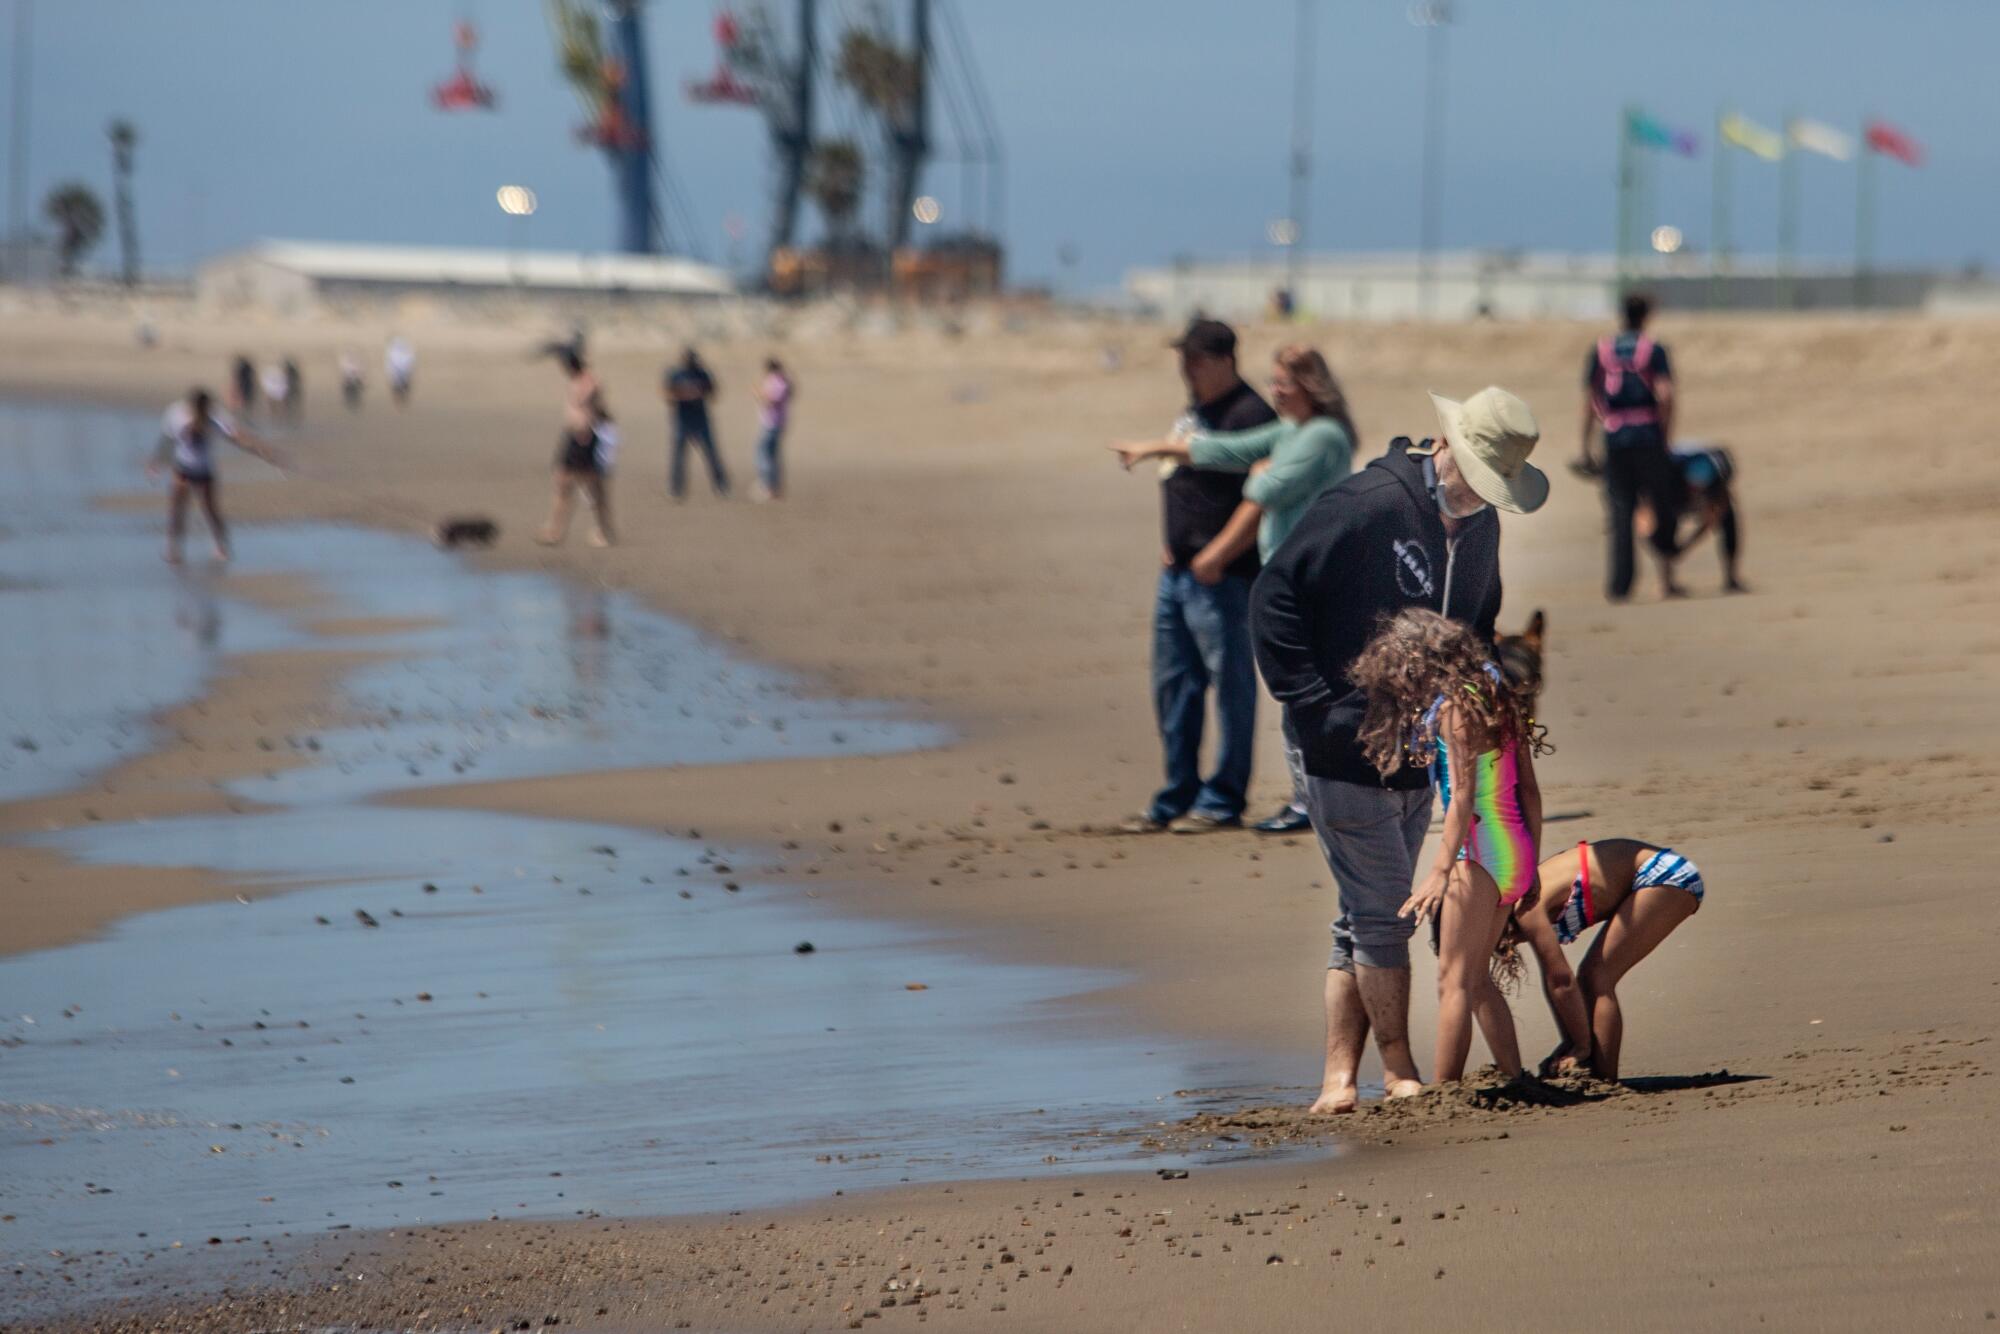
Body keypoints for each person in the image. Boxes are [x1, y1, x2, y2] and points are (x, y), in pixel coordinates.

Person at [1251, 386, 1549, 1111]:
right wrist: (1315, 704)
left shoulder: (1481, 527)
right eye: (1474, 481)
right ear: (1443, 447)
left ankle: (1338, 1082)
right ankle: (1401, 1074)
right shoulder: (1366, 505)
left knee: (1362, 911)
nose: (1479, 500)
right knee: (1385, 910)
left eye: (1492, 491)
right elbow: (1274, 596)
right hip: (1337, 741)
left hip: (1426, 750)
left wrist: (1472, 716)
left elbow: (1479, 621)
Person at [1111, 343, 1359, 833]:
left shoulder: (1325, 436)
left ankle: (1311, 802)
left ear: (1309, 386)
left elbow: (1267, 491)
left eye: (1283, 383)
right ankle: (1305, 799)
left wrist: (1257, 480)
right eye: (1273, 382)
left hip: (1311, 582)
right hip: (1283, 577)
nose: (1274, 391)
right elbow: (1229, 449)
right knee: (1293, 698)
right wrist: (1156, 448)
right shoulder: (1290, 430)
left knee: (1304, 694)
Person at [1352, 609, 1546, 1085]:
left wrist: (1439, 872)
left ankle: (1444, 1089)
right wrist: (1532, 866)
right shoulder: (1496, 691)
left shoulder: (1456, 707)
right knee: (1477, 981)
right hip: (1515, 848)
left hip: (1477, 853)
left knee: (1453, 981)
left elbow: (1461, 798)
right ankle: (1514, 1076)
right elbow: (1530, 791)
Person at [1108, 319, 1274, 835]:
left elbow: (1262, 495)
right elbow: (1179, 475)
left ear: (1224, 359)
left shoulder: (1251, 415)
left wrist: (1220, 553)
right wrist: (1172, 544)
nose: (1187, 369)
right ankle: (1177, 792)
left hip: (1223, 576)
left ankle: (1222, 799)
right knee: (1173, 687)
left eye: (1195, 360)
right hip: (1177, 573)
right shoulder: (1195, 411)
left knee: (1231, 690)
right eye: (1183, 359)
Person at [1503, 839, 1705, 1081]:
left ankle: (1604, 1080)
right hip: (1650, 874)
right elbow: (1556, 982)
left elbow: (1560, 979)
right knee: (1592, 976)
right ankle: (1598, 1072)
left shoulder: (1523, 907)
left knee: (1597, 976)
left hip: (1664, 874)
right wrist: (1571, 1040)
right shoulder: (1506, 910)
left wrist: (1579, 1044)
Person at [1578, 293, 1682, 601]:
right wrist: (1664, 435)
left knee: (1620, 512)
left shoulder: (1602, 349)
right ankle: (1666, 576)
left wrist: (1585, 444)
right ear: (1647, 315)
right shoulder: (1654, 350)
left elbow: (1589, 402)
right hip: (1648, 436)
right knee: (1662, 506)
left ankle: (1619, 586)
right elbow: (1665, 395)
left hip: (1614, 437)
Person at [147, 388, 283, 565]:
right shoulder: (176, 414)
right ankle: (173, 550)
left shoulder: (213, 417)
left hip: (204, 470)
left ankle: (222, 547)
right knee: (176, 510)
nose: (203, 413)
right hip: (183, 469)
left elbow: (236, 438)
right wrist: (156, 462)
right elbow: (167, 439)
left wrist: (261, 452)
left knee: (210, 511)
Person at [535, 347, 615, 548]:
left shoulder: (589, 381)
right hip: (573, 437)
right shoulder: (577, 381)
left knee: (593, 487)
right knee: (563, 482)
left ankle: (604, 531)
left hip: (584, 438)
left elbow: (596, 404)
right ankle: (555, 529)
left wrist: (592, 430)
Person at [1645, 441, 1745, 594]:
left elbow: (1714, 516)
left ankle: (1731, 577)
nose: (1697, 491)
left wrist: (1685, 546)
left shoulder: (1717, 479)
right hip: (1669, 489)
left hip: (1695, 474)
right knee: (1664, 526)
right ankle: (1666, 582)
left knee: (1728, 517)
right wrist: (1669, 552)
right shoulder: (1663, 480)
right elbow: (1646, 525)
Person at [665, 347, 729, 499]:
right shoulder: (676, 374)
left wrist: (699, 393)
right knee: (679, 456)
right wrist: (684, 395)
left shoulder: (702, 374)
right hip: (682, 419)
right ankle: (676, 489)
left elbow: (714, 392)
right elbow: (667, 393)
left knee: (711, 453)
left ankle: (721, 486)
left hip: (701, 419)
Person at [753, 357, 793, 501]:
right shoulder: (782, 380)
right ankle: (774, 488)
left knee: (763, 456)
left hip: (772, 424)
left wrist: (759, 394)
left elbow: (771, 400)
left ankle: (768, 486)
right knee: (772, 457)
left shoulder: (777, 381)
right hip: (776, 423)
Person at [386, 335, 416, 408]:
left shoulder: (394, 351)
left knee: (401, 388)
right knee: (399, 388)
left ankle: (401, 402)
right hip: (400, 373)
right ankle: (400, 402)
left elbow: (389, 363)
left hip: (400, 373)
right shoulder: (394, 351)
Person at [282, 357, 303, 425]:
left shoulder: (289, 372)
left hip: (291, 389)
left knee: (290, 404)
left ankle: (291, 416)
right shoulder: (294, 371)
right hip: (292, 389)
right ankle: (293, 416)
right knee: (293, 404)